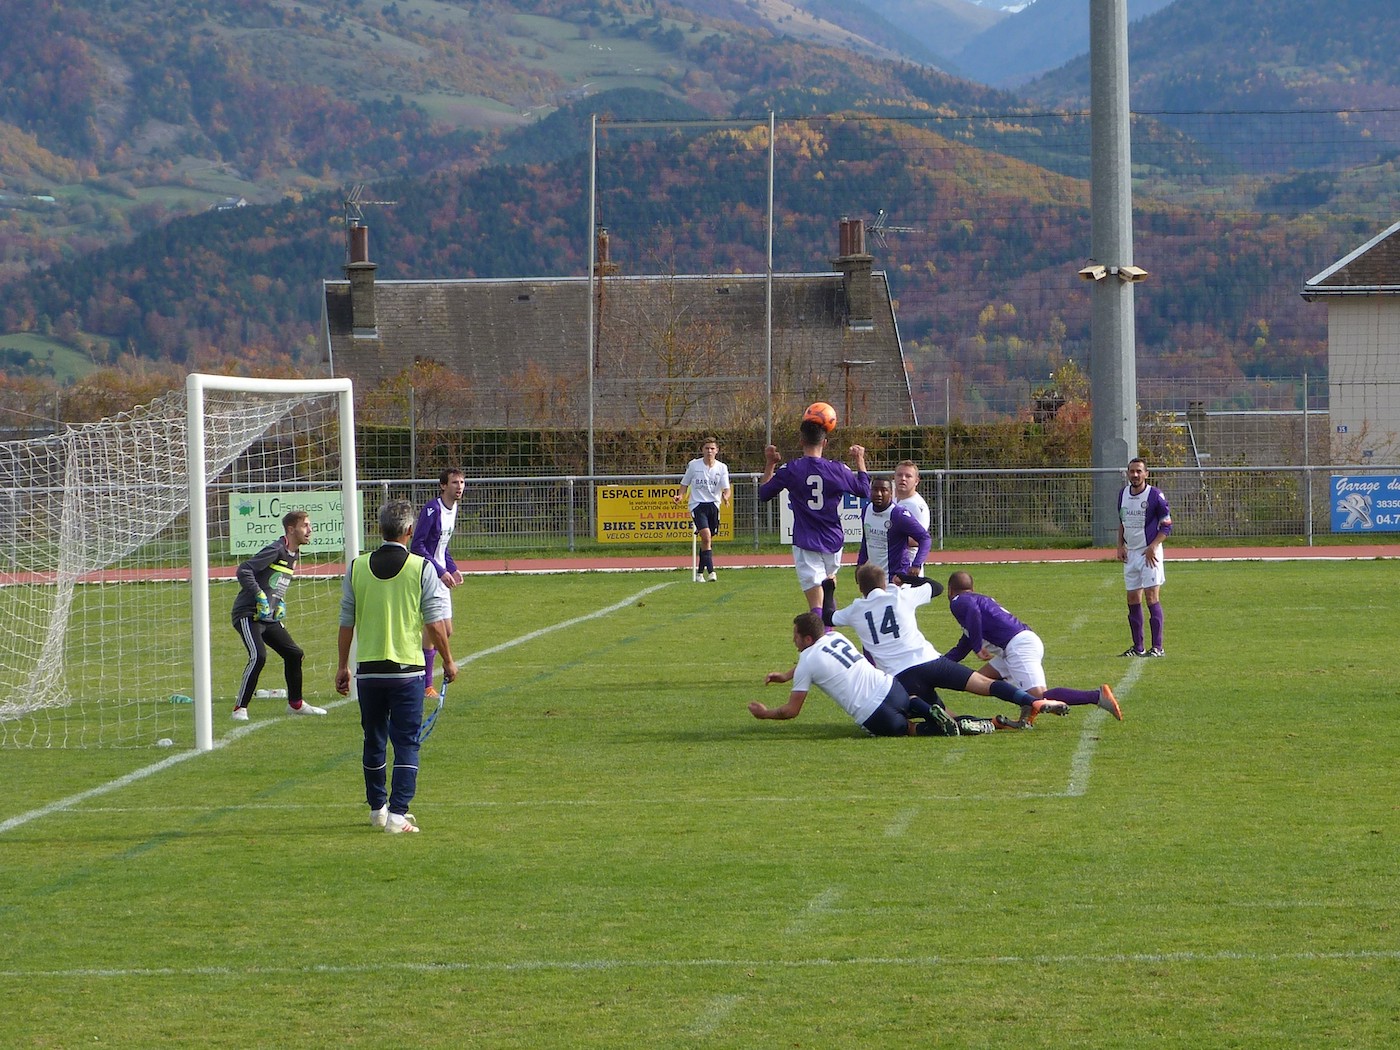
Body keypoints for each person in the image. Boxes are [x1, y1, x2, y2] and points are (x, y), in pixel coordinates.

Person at [336, 499, 458, 835]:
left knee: (373, 739)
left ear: (380, 529)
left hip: (369, 670)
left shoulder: (357, 567)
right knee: (406, 742)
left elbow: (346, 621)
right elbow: (434, 623)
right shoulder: (421, 568)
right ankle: (398, 814)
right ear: (409, 531)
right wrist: (448, 660)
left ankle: (378, 808)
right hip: (407, 671)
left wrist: (343, 666)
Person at [833, 563, 1059, 728]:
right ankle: (1034, 702)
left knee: (946, 716)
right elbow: (936, 586)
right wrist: (905, 578)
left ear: (860, 588)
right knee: (985, 684)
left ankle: (989, 723)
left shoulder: (855, 610)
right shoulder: (900, 596)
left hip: (902, 676)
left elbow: (828, 617)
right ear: (884, 583)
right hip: (930, 662)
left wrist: (828, 588)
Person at [944, 570, 1122, 729]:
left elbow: (973, 613)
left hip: (1018, 646)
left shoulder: (960, 600)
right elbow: (961, 648)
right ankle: (1026, 718)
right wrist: (936, 665)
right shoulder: (977, 603)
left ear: (950, 590)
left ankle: (1096, 696)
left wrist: (977, 647)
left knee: (1039, 697)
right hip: (1017, 645)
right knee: (979, 681)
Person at [748, 612, 962, 737]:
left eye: (795, 636)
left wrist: (765, 713)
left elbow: (791, 711)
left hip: (873, 713)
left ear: (807, 639)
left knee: (908, 728)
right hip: (892, 689)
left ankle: (941, 728)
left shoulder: (806, 660)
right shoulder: (836, 637)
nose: (792, 640)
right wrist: (786, 676)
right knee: (910, 701)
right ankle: (942, 714)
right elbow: (819, 662)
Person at [759, 418, 870, 620]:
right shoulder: (838, 469)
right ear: (825, 443)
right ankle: (830, 629)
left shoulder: (792, 469)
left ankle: (824, 634)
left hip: (806, 540)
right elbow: (864, 490)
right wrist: (860, 459)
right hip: (833, 540)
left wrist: (770, 464)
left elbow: (764, 493)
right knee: (827, 590)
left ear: (801, 441)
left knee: (816, 603)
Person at [230, 509, 325, 721]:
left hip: (269, 616)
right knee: (258, 656)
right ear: (291, 529)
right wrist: (259, 596)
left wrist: (279, 601)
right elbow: (244, 570)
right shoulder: (276, 549)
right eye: (305, 525)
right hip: (248, 613)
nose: (310, 530)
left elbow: (276, 580)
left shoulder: (294, 553)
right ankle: (239, 709)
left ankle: (296, 704)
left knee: (294, 654)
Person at [412, 467, 465, 699]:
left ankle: (420, 676)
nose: (459, 487)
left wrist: (452, 568)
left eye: (462, 482)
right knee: (436, 629)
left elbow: (441, 546)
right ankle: (425, 684)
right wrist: (440, 570)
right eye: (454, 482)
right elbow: (418, 546)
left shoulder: (453, 509)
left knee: (446, 631)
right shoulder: (432, 509)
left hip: (441, 573)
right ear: (443, 485)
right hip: (429, 573)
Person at [1117, 457, 1172, 657]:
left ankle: (1158, 647)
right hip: (1131, 554)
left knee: (1151, 597)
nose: (1135, 475)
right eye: (1132, 471)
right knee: (1132, 598)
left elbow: (1167, 526)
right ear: (1128, 473)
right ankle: (1138, 647)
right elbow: (1122, 521)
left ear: (1146, 474)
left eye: (1139, 471)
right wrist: (1120, 545)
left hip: (1150, 554)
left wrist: (1153, 546)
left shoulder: (1155, 495)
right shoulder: (1123, 494)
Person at [674, 436, 731, 582]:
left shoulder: (721, 467)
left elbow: (726, 488)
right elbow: (684, 484)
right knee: (706, 537)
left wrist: (725, 497)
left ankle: (700, 573)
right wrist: (680, 495)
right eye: (707, 448)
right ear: (702, 450)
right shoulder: (694, 465)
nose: (709, 451)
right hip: (697, 504)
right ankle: (711, 572)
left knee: (708, 540)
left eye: (712, 448)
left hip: (714, 505)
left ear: (717, 450)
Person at [857, 477, 931, 584]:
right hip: (875, 578)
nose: (879, 494)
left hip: (896, 579)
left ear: (891, 493)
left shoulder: (899, 515)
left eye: (884, 490)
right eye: (875, 489)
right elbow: (866, 539)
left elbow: (925, 538)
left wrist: (916, 564)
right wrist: (861, 564)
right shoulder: (866, 510)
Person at [893, 460, 930, 529]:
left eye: (908, 476)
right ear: (894, 477)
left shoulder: (917, 507)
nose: (903, 478)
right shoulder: (892, 500)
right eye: (899, 475)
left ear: (916, 481)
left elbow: (919, 535)